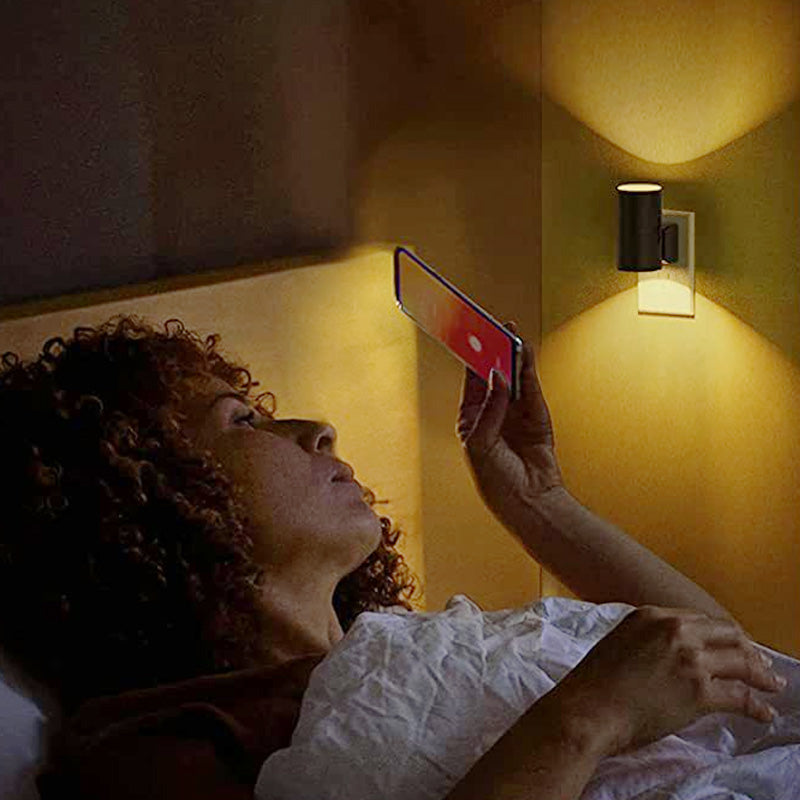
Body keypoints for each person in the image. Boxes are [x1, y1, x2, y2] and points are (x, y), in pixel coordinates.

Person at [0, 314, 786, 800]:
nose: (317, 430)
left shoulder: (398, 660)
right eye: (242, 421)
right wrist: (589, 716)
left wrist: (540, 502)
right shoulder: (154, 742)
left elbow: (734, 671)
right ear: (144, 498)